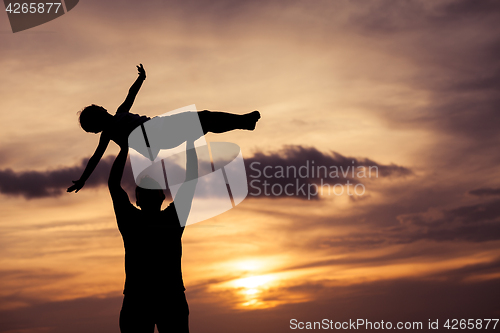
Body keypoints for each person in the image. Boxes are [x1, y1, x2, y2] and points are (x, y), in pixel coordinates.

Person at [68, 63, 260, 193]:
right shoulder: (108, 133)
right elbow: (95, 158)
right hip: (157, 137)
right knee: (205, 120)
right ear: (97, 122)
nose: (101, 107)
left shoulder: (120, 112)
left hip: (161, 126)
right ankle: (244, 122)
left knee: (206, 120)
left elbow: (131, 95)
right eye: (97, 111)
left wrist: (141, 79)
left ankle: (244, 122)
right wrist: (84, 179)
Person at [107, 138, 198, 333]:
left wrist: (124, 148)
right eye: (144, 190)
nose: (147, 192)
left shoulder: (132, 221)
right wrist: (190, 143)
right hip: (157, 298)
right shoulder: (171, 219)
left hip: (148, 298)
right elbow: (191, 180)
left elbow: (114, 185)